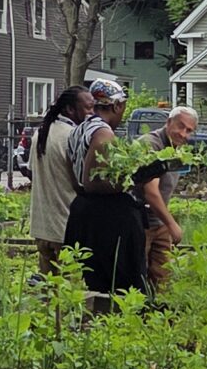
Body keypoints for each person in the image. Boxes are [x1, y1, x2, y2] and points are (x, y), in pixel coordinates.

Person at [63, 76, 149, 298]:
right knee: (121, 286)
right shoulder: (103, 134)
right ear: (117, 105)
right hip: (108, 221)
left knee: (95, 283)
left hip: (82, 214)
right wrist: (134, 178)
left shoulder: (78, 129)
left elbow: (76, 179)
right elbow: (93, 183)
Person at [26, 84, 94, 274]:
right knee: (69, 290)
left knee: (49, 290)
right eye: (88, 107)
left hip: (42, 226)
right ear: (70, 109)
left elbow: (31, 171)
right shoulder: (73, 135)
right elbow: (83, 181)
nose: (92, 112)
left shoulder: (41, 133)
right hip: (66, 226)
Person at [138, 105, 199, 292]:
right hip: (139, 220)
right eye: (180, 126)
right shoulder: (151, 144)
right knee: (137, 277)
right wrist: (172, 224)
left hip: (158, 220)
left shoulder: (178, 149)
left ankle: (158, 316)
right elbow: (151, 191)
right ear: (168, 122)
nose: (183, 134)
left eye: (189, 131)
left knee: (163, 278)